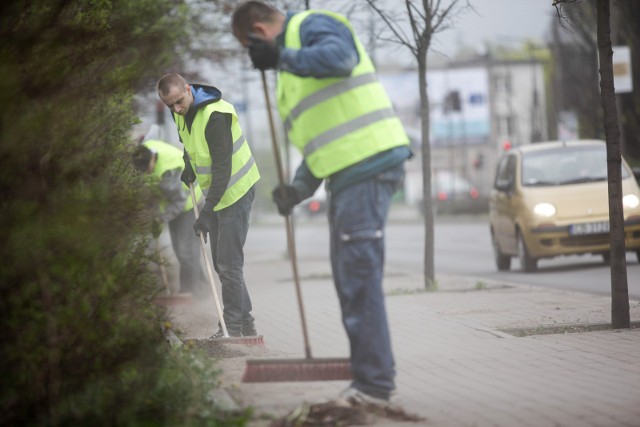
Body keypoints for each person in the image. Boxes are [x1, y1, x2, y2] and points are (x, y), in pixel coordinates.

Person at [232, 1, 413, 406]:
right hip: (349, 173)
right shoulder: (289, 69)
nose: (253, 57)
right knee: (351, 278)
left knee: (358, 277)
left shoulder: (313, 26)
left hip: (368, 164)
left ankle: (374, 386)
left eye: (250, 47)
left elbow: (341, 58)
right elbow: (324, 138)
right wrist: (297, 189)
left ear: (259, 31)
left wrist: (281, 55)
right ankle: (372, 381)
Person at [156, 73, 261, 338]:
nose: (176, 109)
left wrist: (206, 211)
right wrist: (188, 165)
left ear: (189, 89)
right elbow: (188, 144)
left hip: (236, 191)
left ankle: (233, 329)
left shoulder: (216, 116)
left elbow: (223, 170)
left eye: (179, 101)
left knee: (229, 263)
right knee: (221, 264)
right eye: (170, 106)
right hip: (217, 195)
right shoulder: (179, 113)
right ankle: (246, 323)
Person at [132, 138, 209, 297]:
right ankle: (201, 286)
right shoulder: (145, 151)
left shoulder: (168, 172)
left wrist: (160, 218)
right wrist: (156, 219)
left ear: (152, 159)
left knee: (185, 250)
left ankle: (189, 291)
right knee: (181, 249)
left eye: (147, 169)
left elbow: (178, 201)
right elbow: (154, 196)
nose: (146, 173)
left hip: (188, 204)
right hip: (173, 205)